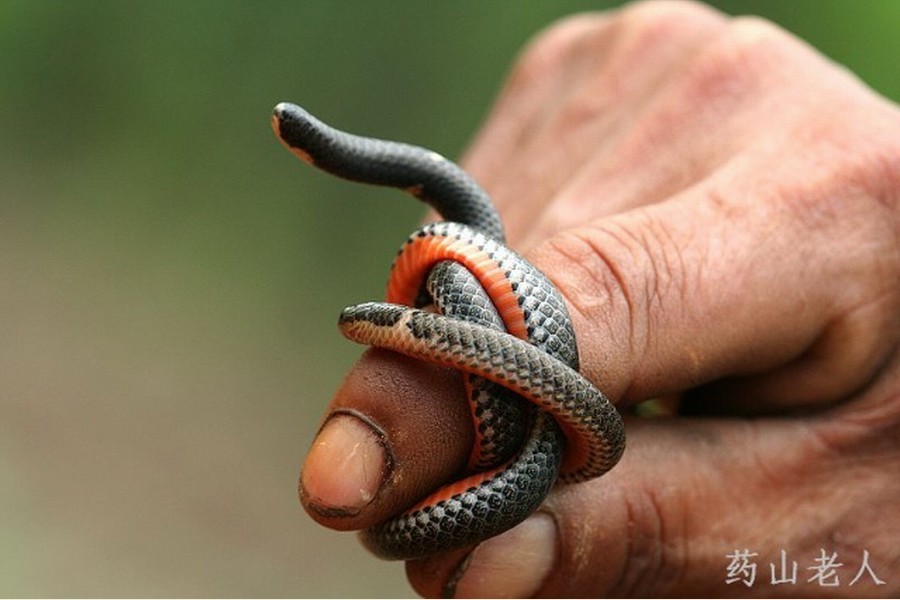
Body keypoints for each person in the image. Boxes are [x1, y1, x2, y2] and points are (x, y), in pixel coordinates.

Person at [298, 1, 899, 596]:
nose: (356, 325)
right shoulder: (455, 284)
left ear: (401, 325)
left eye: (370, 322)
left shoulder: (452, 288)